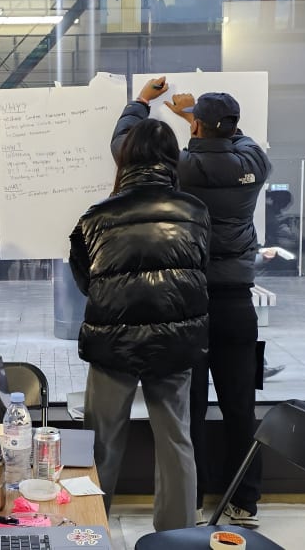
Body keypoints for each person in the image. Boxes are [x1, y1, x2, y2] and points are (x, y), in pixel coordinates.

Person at [113, 77, 271, 528]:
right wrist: (195, 117)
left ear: (198, 129)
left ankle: (195, 499)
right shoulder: (254, 165)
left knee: (192, 407)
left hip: (191, 302)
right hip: (238, 305)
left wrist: (142, 103)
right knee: (241, 406)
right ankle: (245, 502)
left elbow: (127, 147)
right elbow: (237, 141)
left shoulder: (180, 167)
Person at [70, 118, 210, 532]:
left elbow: (85, 280)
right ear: (173, 159)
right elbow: (201, 272)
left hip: (112, 344)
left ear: (126, 157)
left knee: (101, 446)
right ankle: (178, 539)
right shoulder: (195, 212)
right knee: (176, 442)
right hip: (175, 343)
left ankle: (90, 531)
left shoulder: (96, 216)